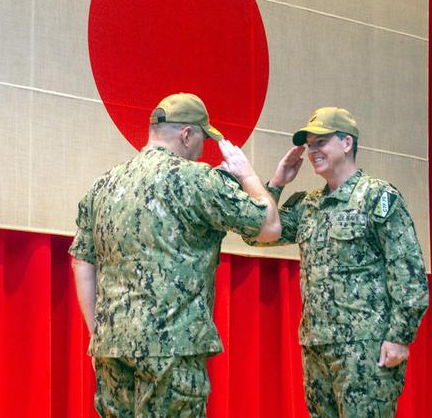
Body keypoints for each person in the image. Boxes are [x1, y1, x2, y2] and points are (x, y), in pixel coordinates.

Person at [69, 92, 281, 417]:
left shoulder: (104, 184)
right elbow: (269, 227)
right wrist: (247, 175)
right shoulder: (196, 180)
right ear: (187, 134)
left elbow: (82, 260)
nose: (202, 150)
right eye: (202, 140)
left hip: (112, 345)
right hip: (173, 349)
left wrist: (100, 331)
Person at [256, 107, 429, 417]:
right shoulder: (308, 204)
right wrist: (277, 182)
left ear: (347, 143)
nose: (312, 151)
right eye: (309, 144)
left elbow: (409, 272)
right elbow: (257, 234)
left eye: (321, 142)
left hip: (366, 348)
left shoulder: (377, 197)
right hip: (317, 347)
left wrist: (399, 337)